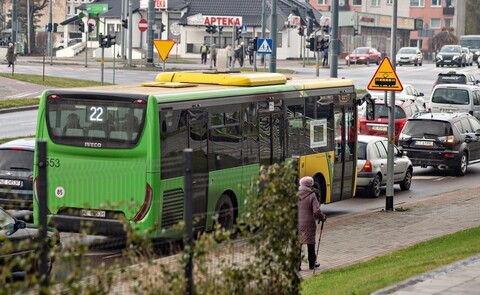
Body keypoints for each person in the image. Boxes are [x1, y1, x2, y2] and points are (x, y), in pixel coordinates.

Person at [297, 176, 326, 270]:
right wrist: (322, 218)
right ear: (310, 185)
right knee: (310, 243)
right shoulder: (312, 195)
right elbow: (317, 211)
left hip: (297, 223)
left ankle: (297, 265)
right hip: (308, 223)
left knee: (298, 243)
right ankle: (312, 263)